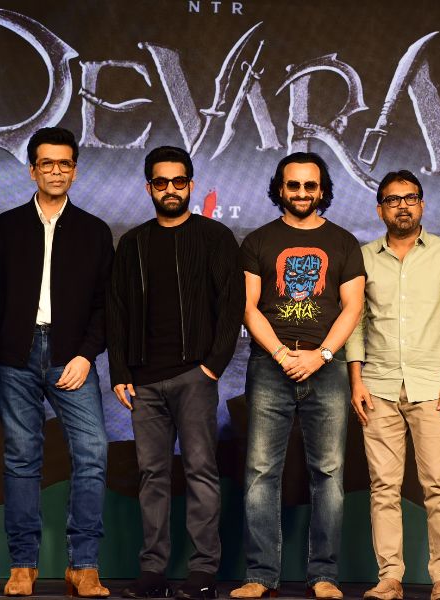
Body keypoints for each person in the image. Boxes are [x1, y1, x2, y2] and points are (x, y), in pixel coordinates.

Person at [108, 146, 245, 599]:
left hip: (194, 377)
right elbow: (117, 310)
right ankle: (152, 572)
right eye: (161, 182)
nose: (171, 189)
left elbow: (232, 306)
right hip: (144, 382)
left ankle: (203, 572)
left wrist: (211, 367)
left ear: (190, 185)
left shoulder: (215, 237)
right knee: (152, 475)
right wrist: (120, 370)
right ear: (149, 187)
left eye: (179, 181)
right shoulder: (133, 243)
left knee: (201, 471)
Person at [230, 152, 365, 600]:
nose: (302, 193)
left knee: (329, 473)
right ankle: (260, 575)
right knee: (260, 472)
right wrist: (281, 354)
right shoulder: (258, 241)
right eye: (294, 185)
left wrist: (320, 355)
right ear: (280, 189)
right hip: (270, 366)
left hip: (327, 368)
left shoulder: (343, 242)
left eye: (310, 185)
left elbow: (353, 307)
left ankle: (324, 575)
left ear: (322, 190)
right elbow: (248, 306)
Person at [0, 127, 113, 597]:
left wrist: (85, 354)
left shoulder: (95, 231)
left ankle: (84, 566)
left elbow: (106, 305)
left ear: (74, 171)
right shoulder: (2, 228)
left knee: (93, 451)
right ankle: (23, 565)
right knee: (22, 457)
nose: (56, 171)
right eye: (47, 163)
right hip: (13, 357)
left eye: (65, 164)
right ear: (33, 170)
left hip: (70, 356)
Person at [345, 170, 440, 600]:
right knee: (383, 487)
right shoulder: (363, 257)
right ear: (379, 209)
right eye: (392, 199)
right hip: (377, 387)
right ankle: (390, 578)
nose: (402, 206)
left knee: (438, 483)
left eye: (410, 198)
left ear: (422, 204)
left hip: (432, 386)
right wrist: (356, 380)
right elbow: (355, 324)